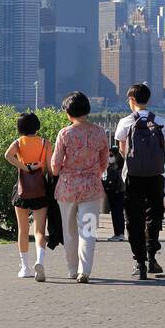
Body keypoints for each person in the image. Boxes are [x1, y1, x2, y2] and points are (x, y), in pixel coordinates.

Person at [50, 92, 110, 284]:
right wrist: (93, 172)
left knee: (69, 231)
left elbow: (55, 165)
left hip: (67, 189)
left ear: (68, 112)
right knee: (89, 231)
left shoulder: (65, 134)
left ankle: (72, 269)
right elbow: (104, 162)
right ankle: (85, 270)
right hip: (92, 189)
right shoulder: (100, 132)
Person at [115, 83, 165, 279]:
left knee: (133, 219)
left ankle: (140, 262)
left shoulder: (125, 122)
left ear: (132, 100)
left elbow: (122, 150)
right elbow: (163, 148)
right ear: (148, 100)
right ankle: (152, 257)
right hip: (156, 176)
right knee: (153, 217)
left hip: (132, 177)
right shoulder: (160, 121)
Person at [4, 111, 52, 280]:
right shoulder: (45, 143)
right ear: (37, 126)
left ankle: (25, 267)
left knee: (23, 230)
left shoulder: (18, 142)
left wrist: (25, 167)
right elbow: (51, 168)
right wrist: (38, 167)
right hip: (40, 189)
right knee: (39, 230)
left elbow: (7, 155)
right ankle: (40, 261)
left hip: (22, 189)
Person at [102, 142, 126, 242]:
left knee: (117, 213)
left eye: (111, 155)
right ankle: (119, 233)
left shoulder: (116, 166)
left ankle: (119, 233)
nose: (109, 157)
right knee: (117, 213)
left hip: (116, 191)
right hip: (118, 190)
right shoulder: (117, 166)